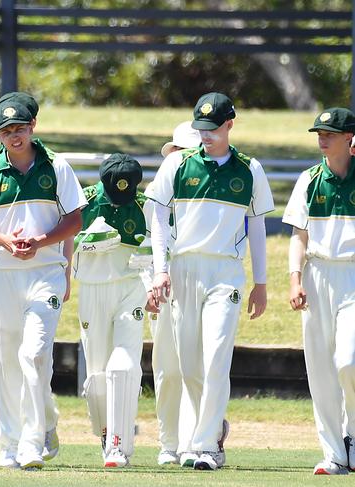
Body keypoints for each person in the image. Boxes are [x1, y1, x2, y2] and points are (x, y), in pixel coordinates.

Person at [146, 92, 274, 471]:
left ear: (230, 124)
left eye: (214, 129)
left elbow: (257, 227)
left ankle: (205, 446)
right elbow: (157, 218)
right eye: (201, 129)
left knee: (217, 357)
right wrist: (161, 269)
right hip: (184, 269)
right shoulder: (178, 165)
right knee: (188, 365)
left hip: (226, 272)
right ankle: (205, 432)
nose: (206, 136)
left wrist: (262, 282)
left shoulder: (250, 169)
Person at [0, 94, 86, 470]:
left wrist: (40, 243)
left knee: (33, 354)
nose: (14, 137)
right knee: (6, 362)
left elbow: (75, 219)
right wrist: (4, 242)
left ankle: (32, 442)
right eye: (6, 131)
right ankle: (9, 445)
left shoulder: (57, 167)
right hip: (2, 277)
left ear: (33, 127)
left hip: (44, 274)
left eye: (20, 129)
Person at [284, 107, 355, 476]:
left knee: (349, 360)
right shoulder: (310, 180)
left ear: (349, 138)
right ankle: (333, 454)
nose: (322, 139)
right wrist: (295, 278)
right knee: (322, 370)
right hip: (317, 275)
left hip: (353, 276)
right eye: (319, 133)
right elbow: (299, 236)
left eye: (329, 133)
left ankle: (353, 436)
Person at [73, 153, 152, 468]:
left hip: (130, 288)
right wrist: (87, 243)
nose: (120, 200)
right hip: (92, 289)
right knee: (97, 376)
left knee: (123, 364)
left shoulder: (144, 204)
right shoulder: (85, 201)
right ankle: (106, 433)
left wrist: (154, 276)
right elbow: (63, 242)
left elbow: (159, 246)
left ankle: (119, 445)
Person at [151, 121, 201, 466]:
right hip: (164, 285)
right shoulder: (161, 190)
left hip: (201, 281)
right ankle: (169, 440)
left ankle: (201, 438)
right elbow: (148, 240)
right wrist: (155, 279)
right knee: (167, 368)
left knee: (197, 365)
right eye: (179, 153)